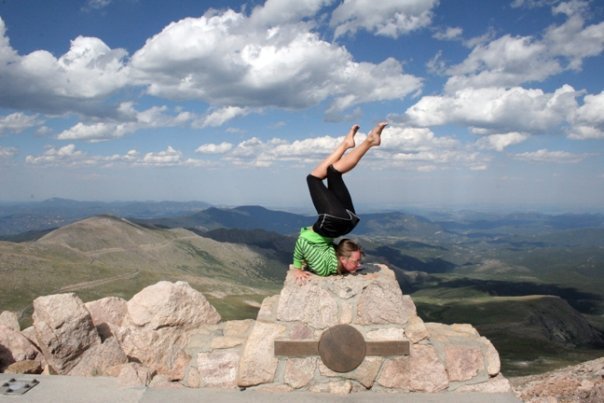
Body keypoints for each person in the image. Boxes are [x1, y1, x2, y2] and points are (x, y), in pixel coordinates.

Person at [291, 121, 388, 284]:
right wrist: (298, 266)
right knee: (313, 179)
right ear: (342, 259)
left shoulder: (329, 265)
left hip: (349, 221)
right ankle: (354, 143)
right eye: (357, 261)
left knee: (333, 172)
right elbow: (302, 243)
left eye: (357, 262)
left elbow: (305, 246)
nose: (359, 265)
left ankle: (366, 141)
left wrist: (298, 267)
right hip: (334, 222)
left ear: (342, 260)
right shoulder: (325, 268)